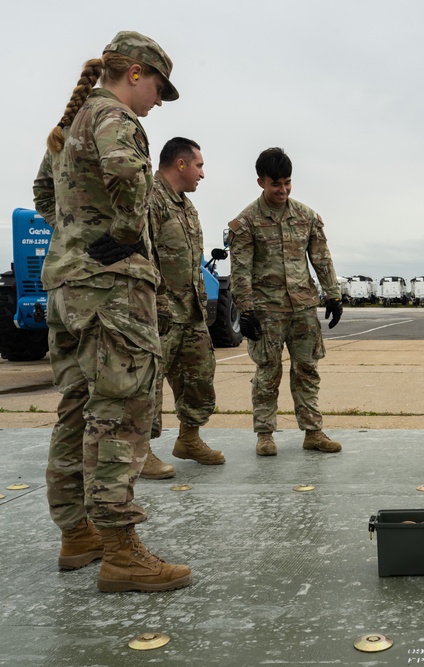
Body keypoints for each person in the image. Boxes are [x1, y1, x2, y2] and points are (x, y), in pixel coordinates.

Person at [32, 31, 192, 592]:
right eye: (156, 89)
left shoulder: (69, 124)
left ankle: (78, 535)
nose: (156, 101)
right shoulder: (115, 118)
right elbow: (129, 175)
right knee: (119, 414)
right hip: (111, 294)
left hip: (68, 288)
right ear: (134, 75)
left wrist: (76, 238)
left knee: (77, 408)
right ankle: (121, 551)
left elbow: (43, 195)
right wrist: (123, 234)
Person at [227, 147, 344, 456]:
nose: (282, 190)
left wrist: (333, 294)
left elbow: (321, 259)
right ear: (260, 182)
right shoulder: (246, 222)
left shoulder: (306, 216)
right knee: (268, 372)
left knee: (307, 369)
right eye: (275, 184)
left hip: (303, 308)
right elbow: (240, 269)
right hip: (267, 311)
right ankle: (265, 434)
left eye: (287, 183)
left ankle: (313, 432)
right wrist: (245, 309)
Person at [143, 137, 225, 477]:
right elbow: (142, 254)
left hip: (189, 312)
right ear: (181, 164)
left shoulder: (186, 206)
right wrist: (157, 302)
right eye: (199, 166)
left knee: (199, 376)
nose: (202, 174)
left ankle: (188, 438)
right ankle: (139, 451)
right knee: (146, 384)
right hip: (159, 312)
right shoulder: (151, 197)